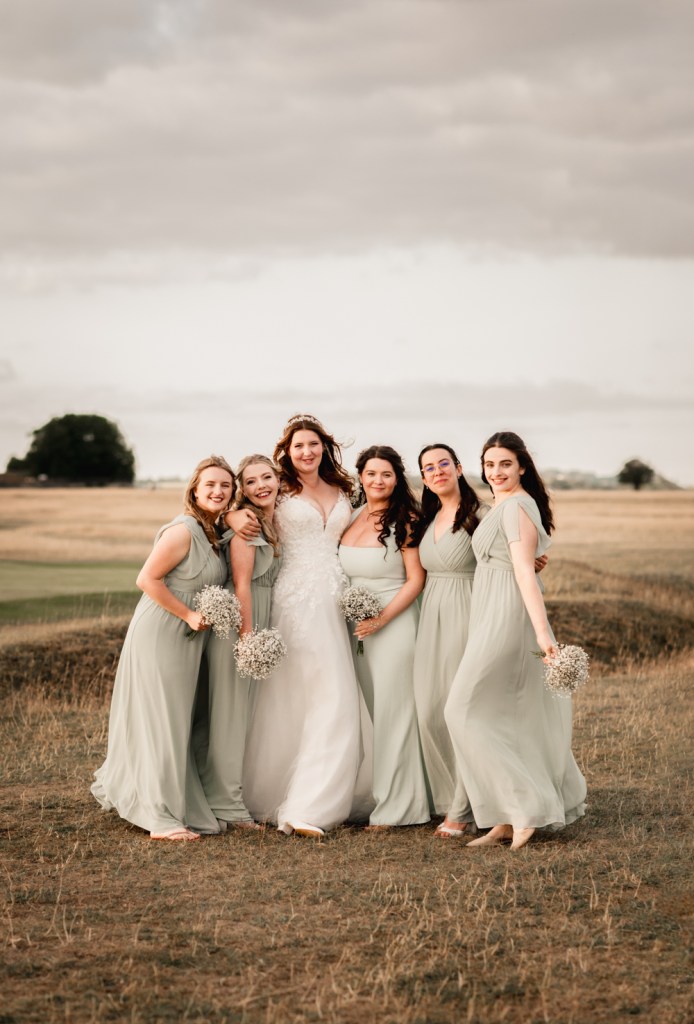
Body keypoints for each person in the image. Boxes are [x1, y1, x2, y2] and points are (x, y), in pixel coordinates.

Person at [444, 432, 587, 850]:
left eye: (505, 463)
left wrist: (543, 636)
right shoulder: (501, 506)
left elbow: (525, 572)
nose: (496, 472)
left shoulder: (519, 506)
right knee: (499, 711)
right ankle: (507, 817)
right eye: (489, 465)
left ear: (522, 466)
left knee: (461, 708)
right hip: (489, 610)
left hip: (509, 614)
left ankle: (526, 806)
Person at [92, 456, 235, 841]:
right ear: (194, 490)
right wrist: (189, 615)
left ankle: (176, 801)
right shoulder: (183, 530)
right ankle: (160, 817)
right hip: (163, 630)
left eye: (225, 485)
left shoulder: (213, 533)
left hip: (190, 635)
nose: (218, 491)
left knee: (179, 719)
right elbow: (147, 579)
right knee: (163, 719)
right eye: (210, 485)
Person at [242, 414, 363, 837]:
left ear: (324, 447)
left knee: (337, 695)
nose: (306, 452)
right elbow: (242, 510)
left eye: (313, 444)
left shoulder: (346, 489)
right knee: (307, 695)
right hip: (297, 599)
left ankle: (317, 795)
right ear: (287, 453)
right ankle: (302, 805)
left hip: (339, 598)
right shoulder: (279, 488)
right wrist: (234, 519)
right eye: (298, 447)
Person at [339, 445, 430, 831]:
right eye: (372, 473)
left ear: (397, 479)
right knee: (376, 714)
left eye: (387, 474)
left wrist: (382, 619)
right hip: (357, 626)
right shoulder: (353, 515)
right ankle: (384, 794)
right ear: (361, 475)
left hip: (393, 622)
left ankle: (400, 808)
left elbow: (416, 579)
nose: (378, 481)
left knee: (396, 714)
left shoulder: (405, 520)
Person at [194, 455, 282, 831]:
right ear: (241, 491)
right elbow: (242, 585)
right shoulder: (246, 527)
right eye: (250, 482)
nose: (260, 486)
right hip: (238, 624)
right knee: (229, 717)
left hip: (258, 617)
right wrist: (247, 640)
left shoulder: (268, 520)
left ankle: (227, 796)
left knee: (239, 716)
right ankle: (228, 806)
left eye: (267, 478)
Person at [411, 444, 484, 837]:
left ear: (458, 468)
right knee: (428, 709)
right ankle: (447, 797)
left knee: (461, 713)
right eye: (429, 468)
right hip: (431, 617)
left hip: (468, 613)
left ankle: (462, 809)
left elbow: (515, 559)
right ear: (423, 478)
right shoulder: (428, 517)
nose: (437, 471)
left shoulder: (481, 516)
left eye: (444, 464)